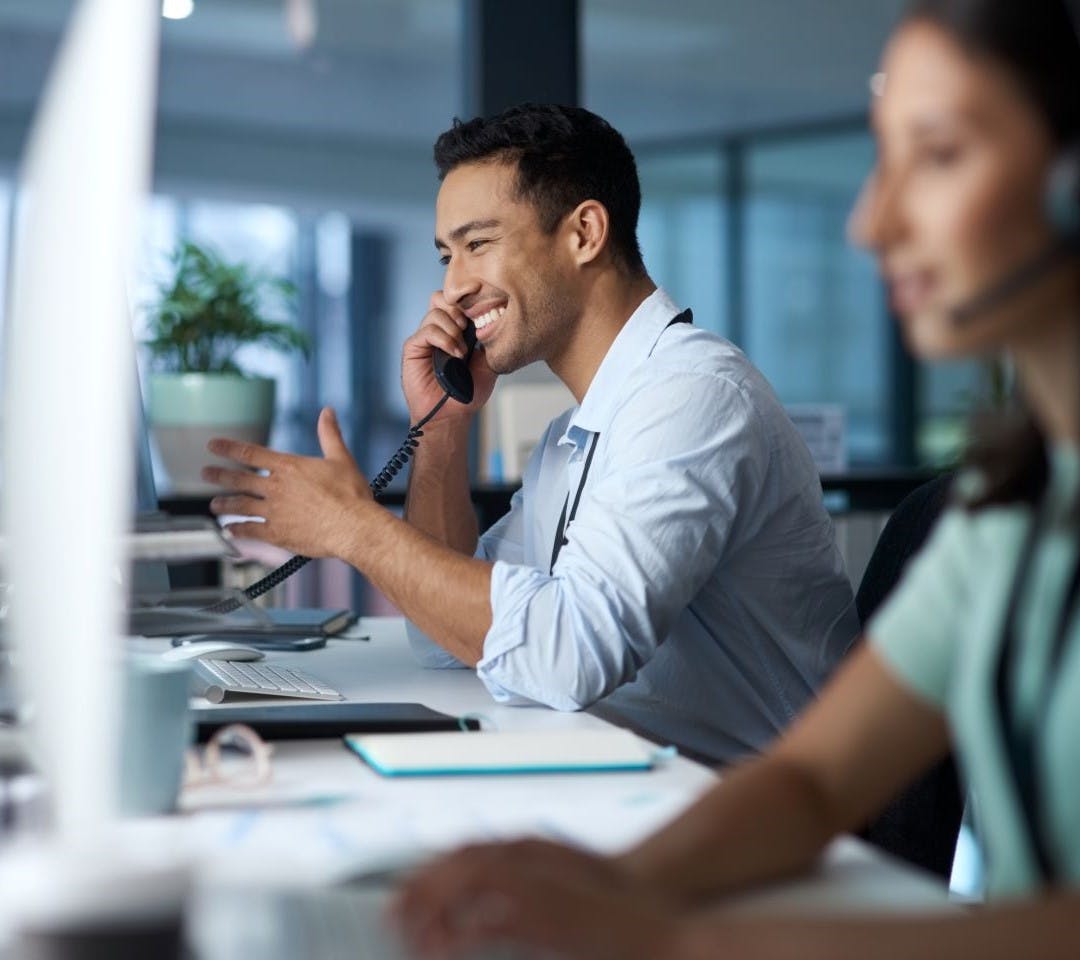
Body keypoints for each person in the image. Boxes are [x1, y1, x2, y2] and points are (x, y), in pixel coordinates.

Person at [390, 0, 1080, 957]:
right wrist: (602, 883)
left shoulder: (692, 395)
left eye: (940, 154)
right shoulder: (1011, 508)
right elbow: (811, 781)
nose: (870, 221)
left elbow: (569, 651)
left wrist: (670, 936)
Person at [203, 103, 858, 765]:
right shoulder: (574, 435)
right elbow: (448, 639)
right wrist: (443, 429)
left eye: (478, 244)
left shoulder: (692, 397)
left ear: (583, 234)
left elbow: (569, 654)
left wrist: (356, 527)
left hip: (753, 814)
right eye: (445, 256)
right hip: (648, 780)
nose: (452, 288)